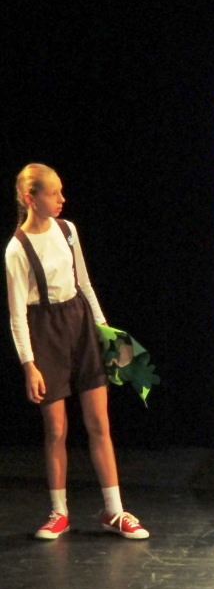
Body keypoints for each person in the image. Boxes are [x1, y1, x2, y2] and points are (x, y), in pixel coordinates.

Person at [5, 163, 148, 540]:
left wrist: (106, 334)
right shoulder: (17, 249)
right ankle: (59, 512)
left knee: (99, 422)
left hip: (80, 323)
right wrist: (29, 364)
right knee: (56, 428)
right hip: (45, 330)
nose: (62, 199)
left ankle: (114, 511)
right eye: (54, 193)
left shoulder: (68, 230)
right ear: (30, 199)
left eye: (61, 191)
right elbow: (17, 314)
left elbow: (84, 284)